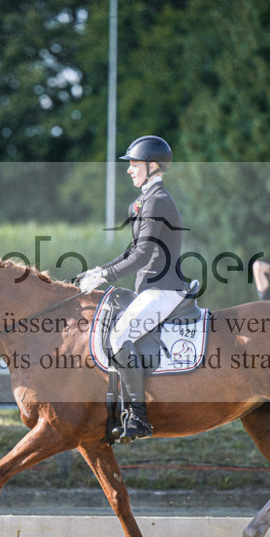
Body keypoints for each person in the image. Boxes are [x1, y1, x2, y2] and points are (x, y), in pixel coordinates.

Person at [78, 135, 189, 444]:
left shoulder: (158, 201)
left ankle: (138, 416)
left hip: (164, 289)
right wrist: (100, 271)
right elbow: (133, 250)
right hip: (150, 289)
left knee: (119, 337)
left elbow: (142, 256)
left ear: (153, 166)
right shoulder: (145, 200)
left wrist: (107, 276)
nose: (129, 170)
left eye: (134, 165)